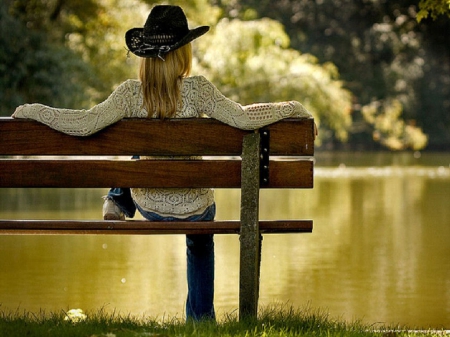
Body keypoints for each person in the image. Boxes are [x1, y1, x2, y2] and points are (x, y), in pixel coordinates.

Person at [12, 5, 315, 321]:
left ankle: (117, 201)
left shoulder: (130, 94)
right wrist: (291, 108)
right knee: (199, 241)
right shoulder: (198, 91)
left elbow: (86, 124)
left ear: (145, 55)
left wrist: (36, 112)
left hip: (150, 205)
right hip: (197, 209)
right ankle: (201, 320)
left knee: (135, 154)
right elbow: (241, 117)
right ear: (183, 53)